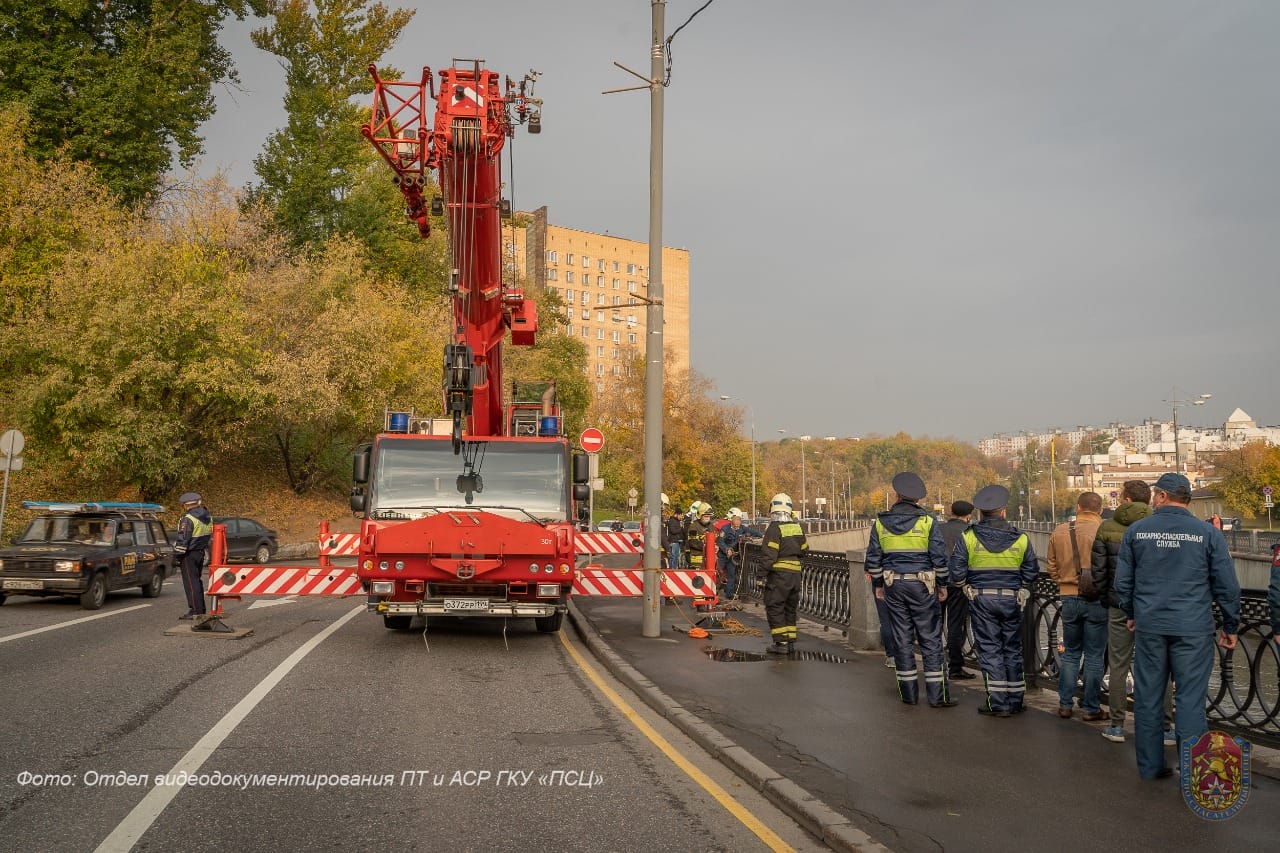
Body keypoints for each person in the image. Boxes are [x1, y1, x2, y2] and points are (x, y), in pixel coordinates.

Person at [1114, 473, 1241, 780]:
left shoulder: (1137, 531)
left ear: (1161, 496)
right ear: (1187, 499)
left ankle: (1151, 766)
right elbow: (1227, 585)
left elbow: (1123, 582)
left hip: (1150, 625)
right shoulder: (1207, 534)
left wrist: (1131, 611)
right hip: (1193, 628)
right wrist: (1231, 624)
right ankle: (1193, 770)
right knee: (1190, 699)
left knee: (1148, 698)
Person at [1090, 480, 1174, 745]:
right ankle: (1165, 725)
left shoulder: (1107, 527)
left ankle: (1116, 725)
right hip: (1153, 605)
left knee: (1118, 664)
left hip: (1118, 605)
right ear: (1148, 499)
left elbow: (1099, 571)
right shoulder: (1160, 525)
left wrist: (1107, 599)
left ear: (1124, 499)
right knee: (1160, 665)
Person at [865, 473, 955, 707]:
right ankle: (938, 696)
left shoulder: (881, 522)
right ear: (918, 500)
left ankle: (909, 695)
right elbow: (939, 558)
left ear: (896, 496)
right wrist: (942, 585)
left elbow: (873, 560)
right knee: (930, 638)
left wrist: (878, 586)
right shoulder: (927, 522)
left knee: (901, 638)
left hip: (893, 585)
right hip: (923, 586)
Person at [949, 485, 1039, 717]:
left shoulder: (968, 537)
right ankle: (1016, 700)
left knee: (989, 649)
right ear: (1003, 511)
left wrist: (966, 586)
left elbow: (956, 573)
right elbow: (1031, 572)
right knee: (1012, 649)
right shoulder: (1020, 538)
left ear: (980, 512)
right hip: (1012, 600)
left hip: (981, 600)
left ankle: (998, 703)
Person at [1045, 492, 1106, 721]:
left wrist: (1064, 581)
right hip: (1097, 598)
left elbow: (1051, 564)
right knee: (1094, 655)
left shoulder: (1061, 531)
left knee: (1071, 653)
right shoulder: (1103, 531)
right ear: (1099, 510)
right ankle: (1091, 708)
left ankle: (1064, 705)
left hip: (1068, 596)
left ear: (1078, 507)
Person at [760, 493, 808, 654]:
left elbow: (769, 555)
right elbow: (804, 549)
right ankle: (790, 642)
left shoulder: (774, 528)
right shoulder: (797, 526)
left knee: (775, 606)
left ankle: (781, 643)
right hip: (795, 575)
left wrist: (761, 574)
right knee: (790, 607)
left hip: (780, 575)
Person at [940, 500, 976, 680]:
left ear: (951, 512)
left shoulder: (938, 529)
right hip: (958, 584)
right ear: (968, 516)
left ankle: (935, 663)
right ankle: (955, 667)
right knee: (955, 626)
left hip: (937, 583)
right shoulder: (969, 532)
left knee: (934, 624)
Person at [174, 492, 213, 622]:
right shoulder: (207, 517)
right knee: (197, 581)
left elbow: (183, 540)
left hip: (189, 554)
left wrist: (177, 557)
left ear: (185, 505)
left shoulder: (188, 519)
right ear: (198, 502)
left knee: (191, 583)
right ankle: (201, 609)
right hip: (201, 552)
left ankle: (195, 610)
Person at [716, 508, 755, 599]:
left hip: (732, 556)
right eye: (736, 519)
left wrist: (762, 535)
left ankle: (729, 594)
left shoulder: (741, 528)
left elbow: (752, 531)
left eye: (739, 519)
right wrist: (727, 550)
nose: (738, 522)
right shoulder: (725, 529)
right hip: (723, 556)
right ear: (732, 519)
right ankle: (713, 592)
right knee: (717, 574)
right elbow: (720, 542)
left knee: (731, 575)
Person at [685, 505, 715, 573]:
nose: (707, 518)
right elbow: (692, 542)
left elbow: (715, 539)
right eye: (705, 516)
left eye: (709, 516)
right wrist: (707, 547)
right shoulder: (693, 526)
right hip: (697, 560)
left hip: (709, 560)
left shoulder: (711, 526)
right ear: (700, 515)